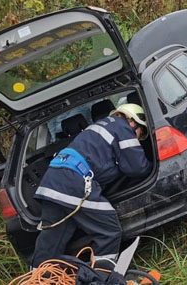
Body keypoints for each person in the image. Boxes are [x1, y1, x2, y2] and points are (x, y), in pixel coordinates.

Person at [31, 104, 152, 268]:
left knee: (52, 239)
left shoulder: (97, 127)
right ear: (133, 121)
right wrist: (154, 164)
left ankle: (38, 277)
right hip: (74, 182)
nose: (138, 138)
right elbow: (137, 167)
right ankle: (100, 276)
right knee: (109, 230)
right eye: (141, 133)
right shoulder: (122, 127)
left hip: (53, 182)